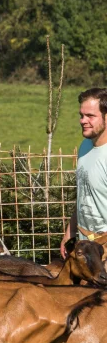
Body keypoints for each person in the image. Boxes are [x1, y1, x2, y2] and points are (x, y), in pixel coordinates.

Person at [61, 87, 107, 257]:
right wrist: (70, 232)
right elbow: (84, 194)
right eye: (81, 115)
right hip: (85, 246)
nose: (83, 121)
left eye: (90, 116)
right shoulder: (85, 146)